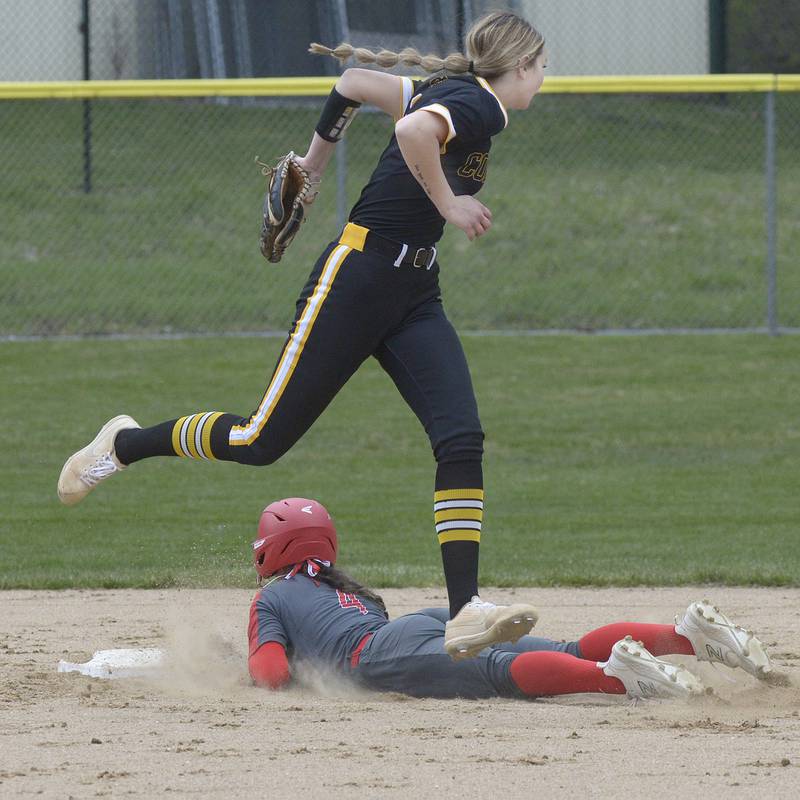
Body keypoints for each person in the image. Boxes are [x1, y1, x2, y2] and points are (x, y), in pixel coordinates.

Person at [58, 12, 549, 657]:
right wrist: (450, 204)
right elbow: (409, 132)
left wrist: (311, 168)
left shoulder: (454, 96)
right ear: (517, 68)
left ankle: (465, 608)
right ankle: (125, 443)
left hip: (412, 294)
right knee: (260, 440)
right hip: (356, 282)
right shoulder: (479, 106)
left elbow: (352, 84)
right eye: (540, 67)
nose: (544, 79)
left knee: (460, 438)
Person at [247, 498, 775, 700]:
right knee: (567, 646)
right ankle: (684, 637)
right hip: (417, 624)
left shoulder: (272, 598)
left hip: (381, 655)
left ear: (272, 550)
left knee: (496, 671)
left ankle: (615, 677)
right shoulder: (352, 590)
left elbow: (270, 674)